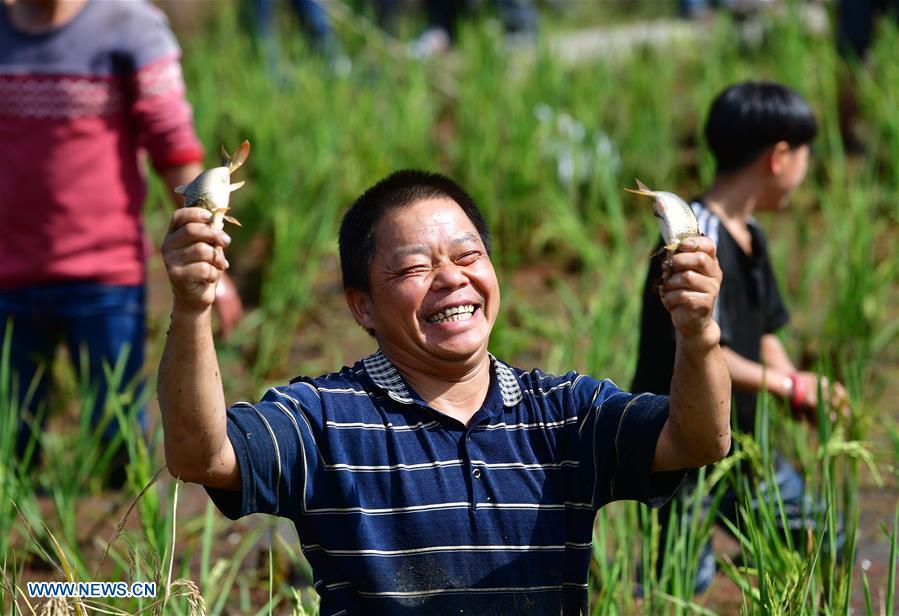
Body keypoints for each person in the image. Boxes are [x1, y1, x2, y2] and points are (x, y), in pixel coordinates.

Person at [159, 169, 731, 613]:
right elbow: (199, 454)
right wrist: (191, 308)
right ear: (362, 306)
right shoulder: (324, 419)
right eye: (413, 268)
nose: (452, 278)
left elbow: (699, 440)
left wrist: (699, 332)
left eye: (467, 256)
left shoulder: (564, 414)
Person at [0, 0, 243, 487]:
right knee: (11, 443)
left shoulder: (129, 26)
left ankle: (122, 549)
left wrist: (215, 271)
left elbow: (174, 147)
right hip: (6, 278)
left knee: (118, 436)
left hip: (104, 277)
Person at [631, 81, 849, 593]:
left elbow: (766, 332)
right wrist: (791, 387)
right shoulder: (693, 243)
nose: (806, 166)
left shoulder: (752, 233)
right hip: (683, 439)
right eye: (805, 153)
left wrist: (797, 382)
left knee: (827, 538)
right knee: (680, 583)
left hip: (745, 442)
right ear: (779, 157)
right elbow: (712, 352)